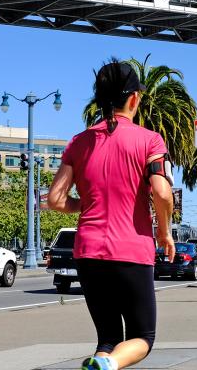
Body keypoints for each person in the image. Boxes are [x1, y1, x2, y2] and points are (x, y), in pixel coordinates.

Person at [47, 60, 175, 370]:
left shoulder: (78, 143)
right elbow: (161, 192)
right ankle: (105, 366)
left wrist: (86, 204)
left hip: (89, 252)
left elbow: (54, 199)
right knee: (142, 338)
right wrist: (165, 232)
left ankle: (102, 363)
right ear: (134, 99)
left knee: (108, 340)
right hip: (131, 250)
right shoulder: (149, 140)